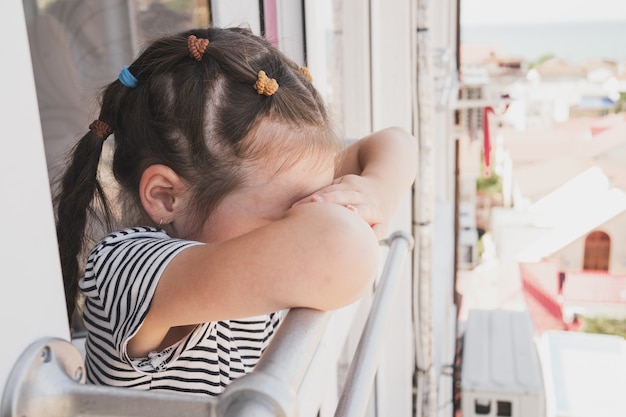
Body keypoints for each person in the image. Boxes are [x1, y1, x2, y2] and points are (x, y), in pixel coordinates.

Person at [54, 26, 417, 396]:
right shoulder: (126, 267)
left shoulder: (263, 217)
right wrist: (345, 214)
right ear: (165, 197)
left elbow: (396, 143)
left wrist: (374, 191)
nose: (314, 213)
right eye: (296, 208)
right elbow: (344, 250)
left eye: (322, 194)